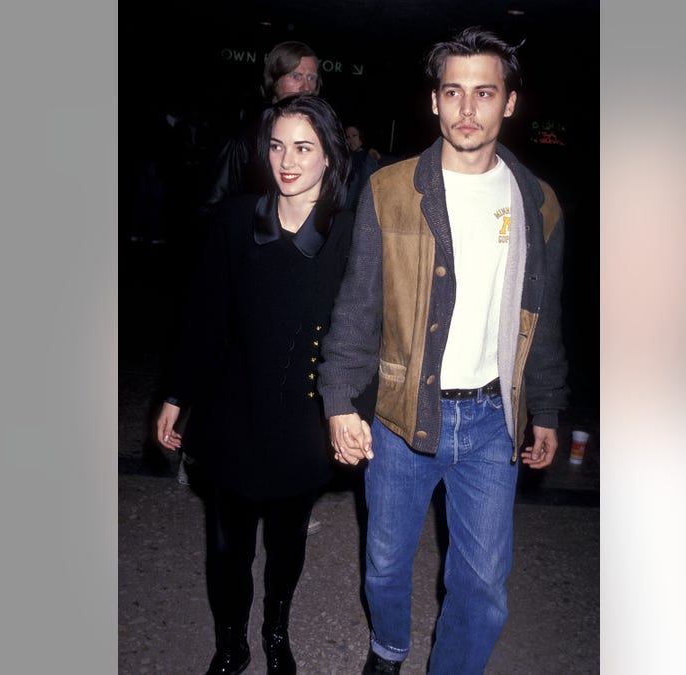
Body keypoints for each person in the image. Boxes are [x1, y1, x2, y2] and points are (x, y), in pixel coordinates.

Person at [318, 27, 570, 675]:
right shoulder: (391, 189)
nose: (466, 109)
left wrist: (545, 404)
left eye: (484, 93)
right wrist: (340, 400)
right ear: (434, 99)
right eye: (453, 91)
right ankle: (389, 648)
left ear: (508, 102)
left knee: (483, 582)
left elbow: (539, 317)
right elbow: (357, 304)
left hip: (491, 420)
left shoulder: (538, 204)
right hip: (402, 414)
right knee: (384, 562)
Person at [156, 94, 353, 675]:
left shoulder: (349, 233)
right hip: (232, 411)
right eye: (276, 146)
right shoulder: (238, 219)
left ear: (328, 157)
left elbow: (363, 332)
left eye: (303, 148)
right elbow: (205, 315)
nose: (286, 161)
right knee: (226, 546)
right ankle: (230, 644)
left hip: (302, 417)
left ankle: (274, 633)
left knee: (286, 545)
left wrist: (352, 411)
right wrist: (176, 393)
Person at [200, 40, 323, 217]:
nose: (306, 88)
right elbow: (214, 202)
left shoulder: (320, 131)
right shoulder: (247, 134)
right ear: (275, 80)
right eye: (296, 76)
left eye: (311, 78)